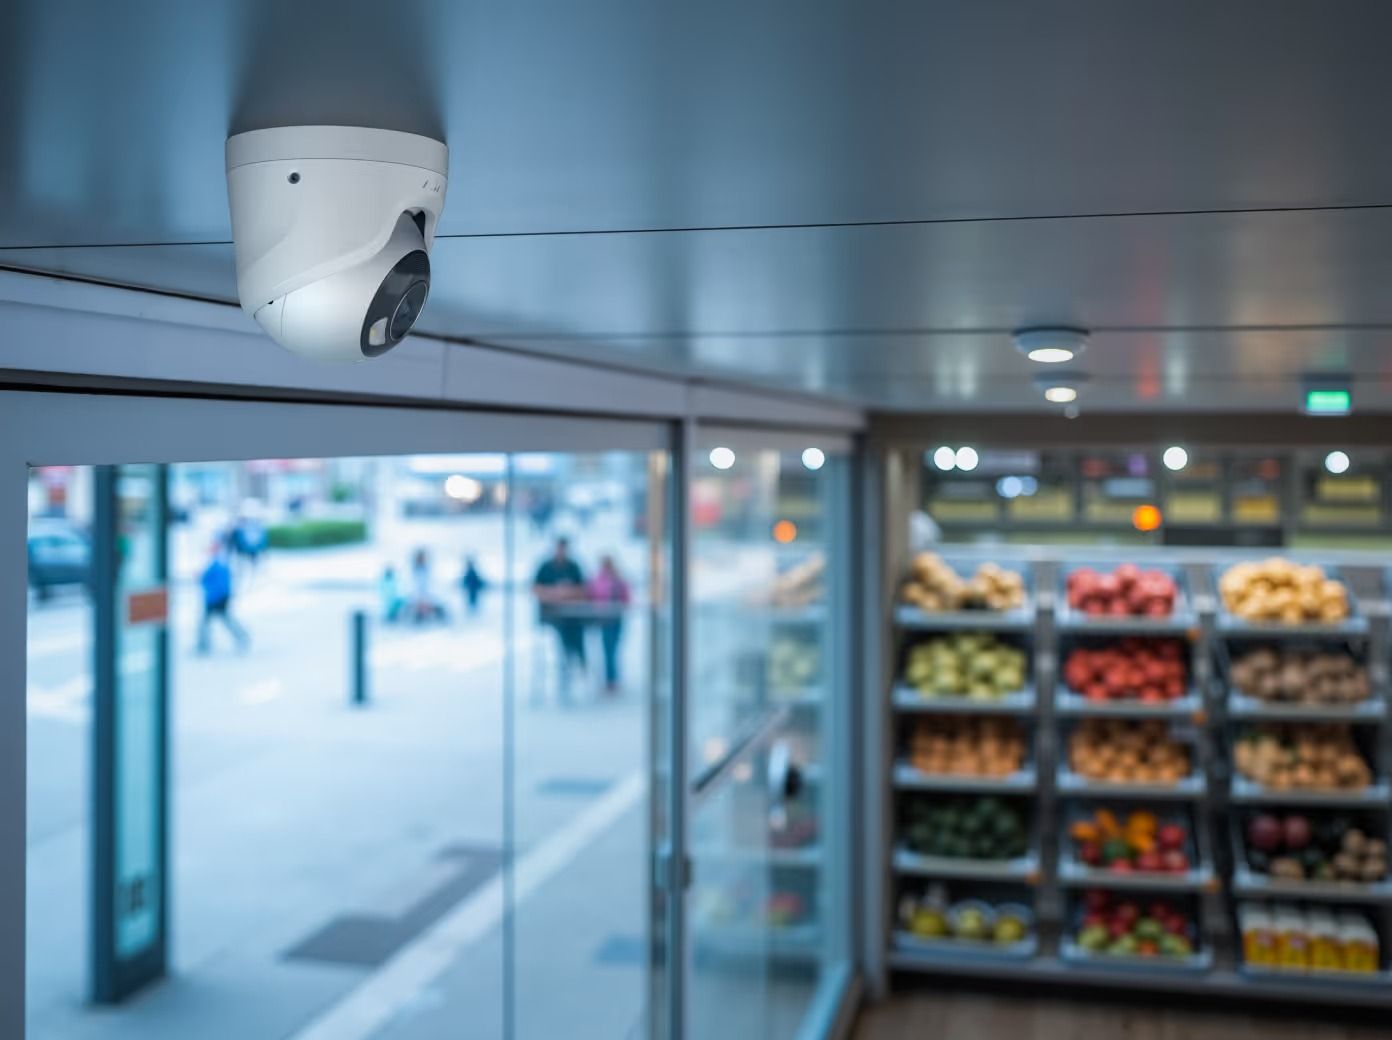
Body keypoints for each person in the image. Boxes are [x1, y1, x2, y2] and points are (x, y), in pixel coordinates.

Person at [532, 537, 587, 699]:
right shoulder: (545, 567)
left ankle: (578, 662)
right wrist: (554, 593)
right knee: (562, 636)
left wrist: (567, 593)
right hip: (550, 617)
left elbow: (582, 589)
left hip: (572, 617)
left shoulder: (573, 566)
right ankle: (569, 664)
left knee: (576, 634)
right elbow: (536, 589)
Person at [589, 555, 631, 694]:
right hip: (604, 620)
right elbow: (593, 597)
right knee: (608, 650)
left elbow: (627, 598)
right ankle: (609, 680)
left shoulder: (619, 581)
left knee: (612, 650)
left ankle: (612, 680)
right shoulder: (598, 580)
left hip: (616, 619)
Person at [197, 544, 249, 654]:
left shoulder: (217, 565)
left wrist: (201, 578)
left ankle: (204, 644)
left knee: (215, 621)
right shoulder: (219, 564)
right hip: (217, 597)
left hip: (215, 598)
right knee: (215, 621)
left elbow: (207, 579)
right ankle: (204, 643)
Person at [409, 548, 446, 624]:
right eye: (420, 558)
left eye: (423, 558)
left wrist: (429, 598)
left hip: (429, 595)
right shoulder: (413, 571)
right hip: (417, 597)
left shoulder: (428, 569)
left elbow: (433, 583)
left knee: (438, 607)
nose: (421, 559)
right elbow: (412, 585)